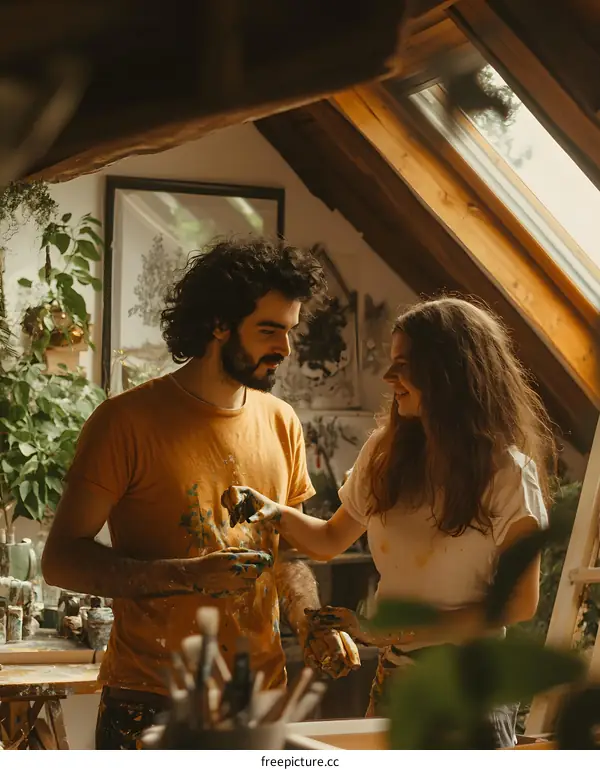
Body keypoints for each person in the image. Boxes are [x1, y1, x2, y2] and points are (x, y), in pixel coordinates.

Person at [42, 238, 360, 750]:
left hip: (260, 700)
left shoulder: (282, 422)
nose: (285, 348)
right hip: (151, 702)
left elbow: (288, 555)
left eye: (290, 330)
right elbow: (61, 560)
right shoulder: (125, 422)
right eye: (269, 330)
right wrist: (188, 575)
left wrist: (309, 621)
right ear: (218, 324)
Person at [221, 297, 554, 747]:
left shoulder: (508, 473)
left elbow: (519, 604)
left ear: (449, 372)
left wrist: (387, 631)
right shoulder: (384, 452)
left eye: (404, 364)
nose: (388, 377)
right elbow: (329, 539)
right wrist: (270, 510)